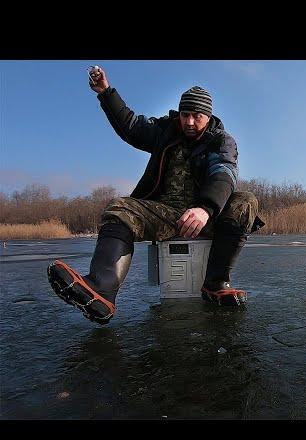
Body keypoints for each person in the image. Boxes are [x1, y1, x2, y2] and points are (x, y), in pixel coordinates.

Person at [48, 66, 263, 324]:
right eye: (185, 115)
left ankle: (216, 283)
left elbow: (224, 173)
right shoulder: (165, 130)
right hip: (166, 215)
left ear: (208, 116)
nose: (190, 122)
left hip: (209, 218)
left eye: (197, 116)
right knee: (120, 208)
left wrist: (205, 208)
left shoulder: (221, 141)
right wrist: (106, 93)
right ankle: (102, 290)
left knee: (246, 202)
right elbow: (131, 125)